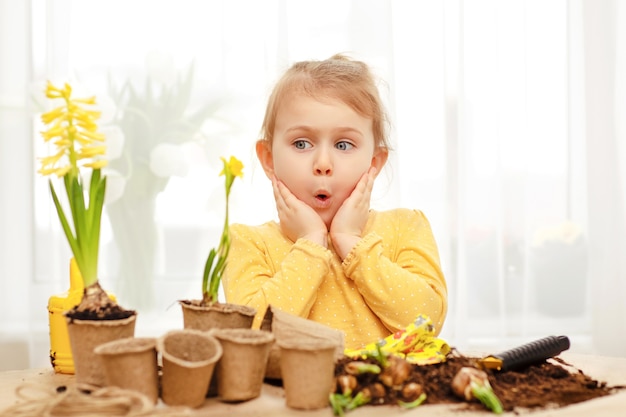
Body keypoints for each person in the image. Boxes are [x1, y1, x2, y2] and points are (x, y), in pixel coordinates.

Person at [222, 54, 447, 350]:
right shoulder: (248, 243)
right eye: (301, 143)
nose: (323, 163)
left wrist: (351, 243)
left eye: (343, 144)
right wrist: (311, 245)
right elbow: (252, 338)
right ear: (268, 159)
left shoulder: (406, 227)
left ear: (375, 162)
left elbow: (427, 322)